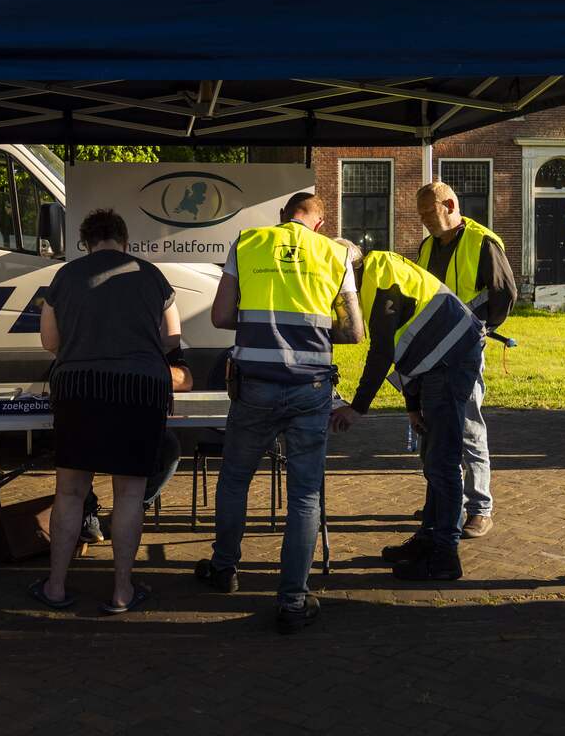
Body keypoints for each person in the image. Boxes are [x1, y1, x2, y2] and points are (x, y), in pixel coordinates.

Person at [197, 192, 364, 634]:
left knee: (235, 479)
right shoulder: (334, 252)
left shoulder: (248, 242)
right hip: (310, 387)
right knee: (305, 495)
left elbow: (219, 316)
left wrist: (261, 323)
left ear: (282, 217)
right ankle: (292, 599)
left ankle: (224, 568)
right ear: (320, 224)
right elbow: (354, 330)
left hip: (254, 386)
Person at [34, 208, 180, 613]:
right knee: (130, 494)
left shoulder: (64, 277)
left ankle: (57, 588)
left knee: (70, 492)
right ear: (124, 239)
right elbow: (172, 336)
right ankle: (121, 591)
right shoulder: (152, 276)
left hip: (79, 388)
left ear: (86, 242)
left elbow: (49, 342)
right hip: (140, 389)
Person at [330, 246, 484, 581]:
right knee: (433, 458)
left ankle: (445, 555)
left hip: (449, 360)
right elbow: (408, 344)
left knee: (442, 461)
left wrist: (357, 408)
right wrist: (413, 407)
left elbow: (383, 350)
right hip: (439, 360)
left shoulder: (381, 278)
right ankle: (430, 539)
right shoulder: (377, 276)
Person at [415, 182, 516, 538]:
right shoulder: (427, 246)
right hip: (432, 349)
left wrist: (479, 329)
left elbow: (504, 292)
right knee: (434, 426)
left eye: (429, 211)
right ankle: (446, 501)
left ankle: (479, 507)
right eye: (421, 213)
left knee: (468, 425)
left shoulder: (482, 241)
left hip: (466, 350)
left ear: (450, 204)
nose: (424, 219)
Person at [80, 346, 194, 544]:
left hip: (137, 415)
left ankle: (134, 509)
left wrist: (139, 370)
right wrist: (149, 373)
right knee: (76, 446)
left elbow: (185, 379)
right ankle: (85, 511)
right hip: (93, 413)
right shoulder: (92, 326)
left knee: (169, 448)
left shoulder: (160, 333)